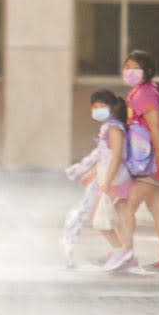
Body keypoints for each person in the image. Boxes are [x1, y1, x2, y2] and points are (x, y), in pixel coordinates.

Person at [118, 50, 159, 272]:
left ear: (147, 70)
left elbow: (157, 129)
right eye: (126, 66)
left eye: (134, 66)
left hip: (150, 164)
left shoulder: (145, 94)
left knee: (124, 207)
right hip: (149, 162)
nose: (128, 71)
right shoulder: (140, 92)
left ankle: (124, 253)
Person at [63, 89, 133, 270]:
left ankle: (122, 251)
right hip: (110, 180)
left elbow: (117, 156)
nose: (98, 110)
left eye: (102, 106)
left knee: (103, 219)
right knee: (110, 219)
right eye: (95, 106)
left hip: (116, 181)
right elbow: (104, 155)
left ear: (112, 108)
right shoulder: (108, 128)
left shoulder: (115, 129)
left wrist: (107, 181)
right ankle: (123, 253)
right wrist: (93, 172)